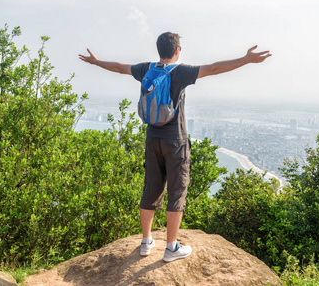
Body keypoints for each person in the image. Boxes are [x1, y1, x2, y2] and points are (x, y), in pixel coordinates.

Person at [79, 32, 271, 262]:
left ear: (159, 49)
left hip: (152, 139)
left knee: (151, 188)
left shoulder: (146, 69)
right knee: (177, 192)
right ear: (177, 50)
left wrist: (96, 61)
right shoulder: (180, 72)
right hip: (175, 141)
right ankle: (171, 247)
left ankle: (146, 242)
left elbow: (120, 67)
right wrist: (245, 59)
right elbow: (214, 68)